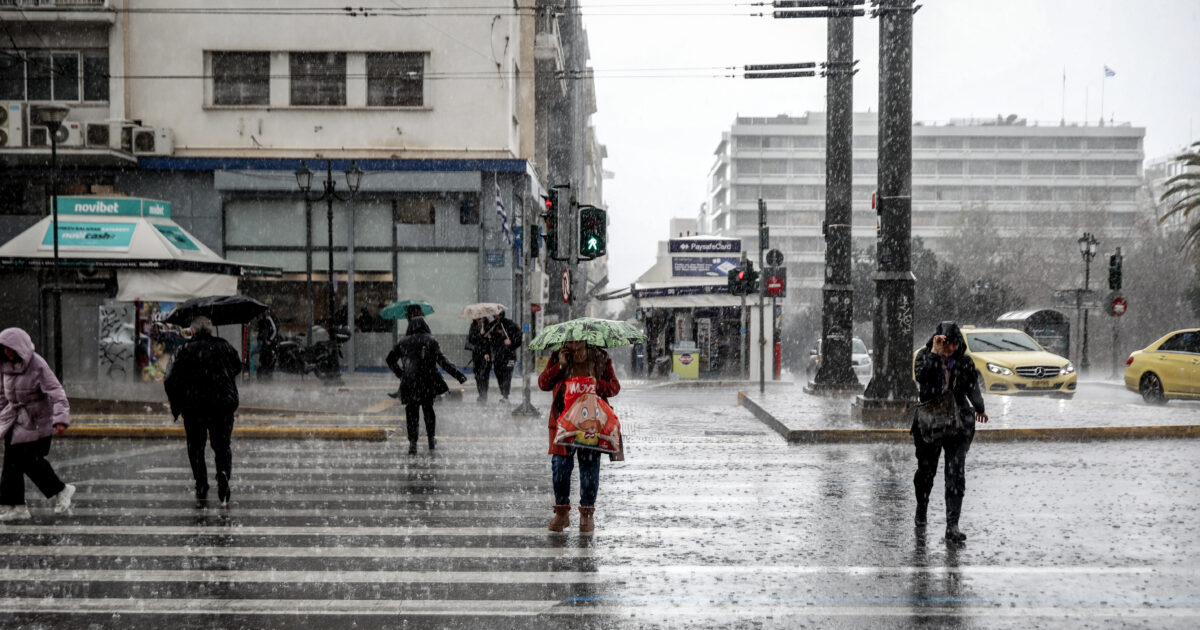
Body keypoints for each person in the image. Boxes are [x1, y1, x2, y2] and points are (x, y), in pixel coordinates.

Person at [911, 321, 989, 543]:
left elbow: (972, 386)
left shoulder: (964, 361)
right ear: (937, 340)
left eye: (955, 344)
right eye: (947, 344)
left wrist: (980, 408)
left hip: (957, 425)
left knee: (956, 474)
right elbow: (922, 378)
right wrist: (935, 354)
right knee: (926, 472)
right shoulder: (925, 357)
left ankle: (952, 525)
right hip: (930, 424)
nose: (951, 348)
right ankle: (921, 509)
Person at [538, 340, 620, 533]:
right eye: (570, 341)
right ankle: (562, 511)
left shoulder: (600, 357)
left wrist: (597, 384)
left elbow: (615, 387)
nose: (574, 345)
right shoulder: (559, 355)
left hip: (591, 424)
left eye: (578, 341)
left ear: (585, 341)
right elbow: (543, 384)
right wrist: (560, 366)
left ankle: (586, 514)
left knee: (589, 469)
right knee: (560, 467)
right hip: (563, 422)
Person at [164, 316, 243, 505]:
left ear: (193, 330)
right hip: (221, 406)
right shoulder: (224, 346)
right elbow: (237, 366)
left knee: (196, 447)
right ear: (209, 329)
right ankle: (223, 473)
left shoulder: (184, 350)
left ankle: (201, 482)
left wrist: (177, 404)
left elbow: (170, 378)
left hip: (194, 407)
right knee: (222, 446)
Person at [0, 328, 74, 521]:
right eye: (4, 349)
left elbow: (56, 392)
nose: (7, 352)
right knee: (10, 463)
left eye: (10, 349)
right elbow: (2, 395)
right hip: (14, 420)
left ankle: (62, 489)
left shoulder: (37, 364)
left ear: (19, 347)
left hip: (36, 421)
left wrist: (61, 419)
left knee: (29, 461)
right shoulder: (4, 365)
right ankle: (17, 506)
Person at [386, 316, 468, 455]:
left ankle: (413, 443)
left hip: (410, 382)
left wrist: (401, 373)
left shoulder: (403, 342)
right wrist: (458, 375)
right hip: (427, 382)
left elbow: (390, 359)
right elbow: (443, 361)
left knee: (411, 413)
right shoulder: (431, 341)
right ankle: (431, 439)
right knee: (428, 410)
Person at [485, 310, 522, 402]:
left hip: (509, 356)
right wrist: (488, 337)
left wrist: (511, 342)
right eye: (493, 313)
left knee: (507, 375)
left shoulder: (510, 324)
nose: (494, 315)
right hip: (497, 356)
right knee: (499, 375)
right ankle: (503, 393)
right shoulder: (492, 326)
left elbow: (519, 338)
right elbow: (487, 341)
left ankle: (505, 396)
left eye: (496, 313)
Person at [466, 317, 491, 404]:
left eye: (480, 319)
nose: (479, 320)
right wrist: (480, 335)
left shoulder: (489, 326)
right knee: (477, 377)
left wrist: (489, 337)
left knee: (483, 376)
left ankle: (484, 395)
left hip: (486, 356)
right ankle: (481, 394)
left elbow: (491, 342)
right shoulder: (473, 327)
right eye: (477, 319)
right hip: (477, 356)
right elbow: (471, 340)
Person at [255, 308, 278, 382]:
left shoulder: (268, 320)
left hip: (268, 345)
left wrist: (269, 340)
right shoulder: (260, 322)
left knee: (268, 361)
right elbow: (261, 332)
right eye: (259, 316)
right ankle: (263, 377)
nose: (260, 317)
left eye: (261, 315)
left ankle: (268, 377)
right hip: (264, 345)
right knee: (263, 361)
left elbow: (274, 330)